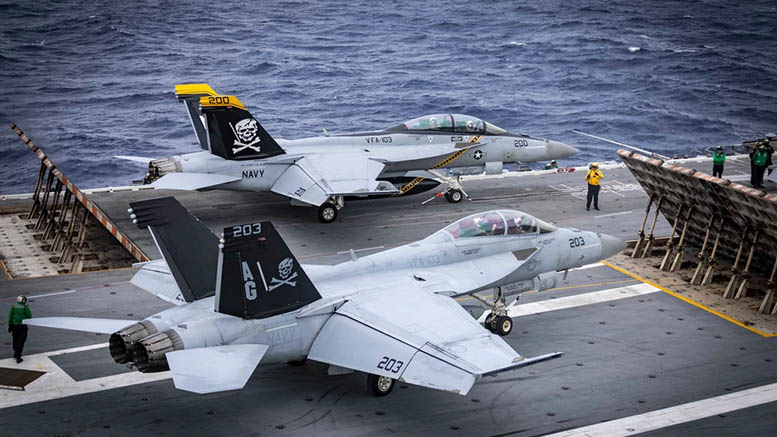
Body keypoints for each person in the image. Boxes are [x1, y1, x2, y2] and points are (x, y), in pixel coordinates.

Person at [8, 295, 31, 363]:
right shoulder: (25, 307)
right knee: (21, 341)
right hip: (22, 326)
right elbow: (29, 316)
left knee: (15, 340)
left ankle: (15, 353)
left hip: (15, 326)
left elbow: (10, 316)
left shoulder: (13, 306)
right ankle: (18, 356)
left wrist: (10, 325)